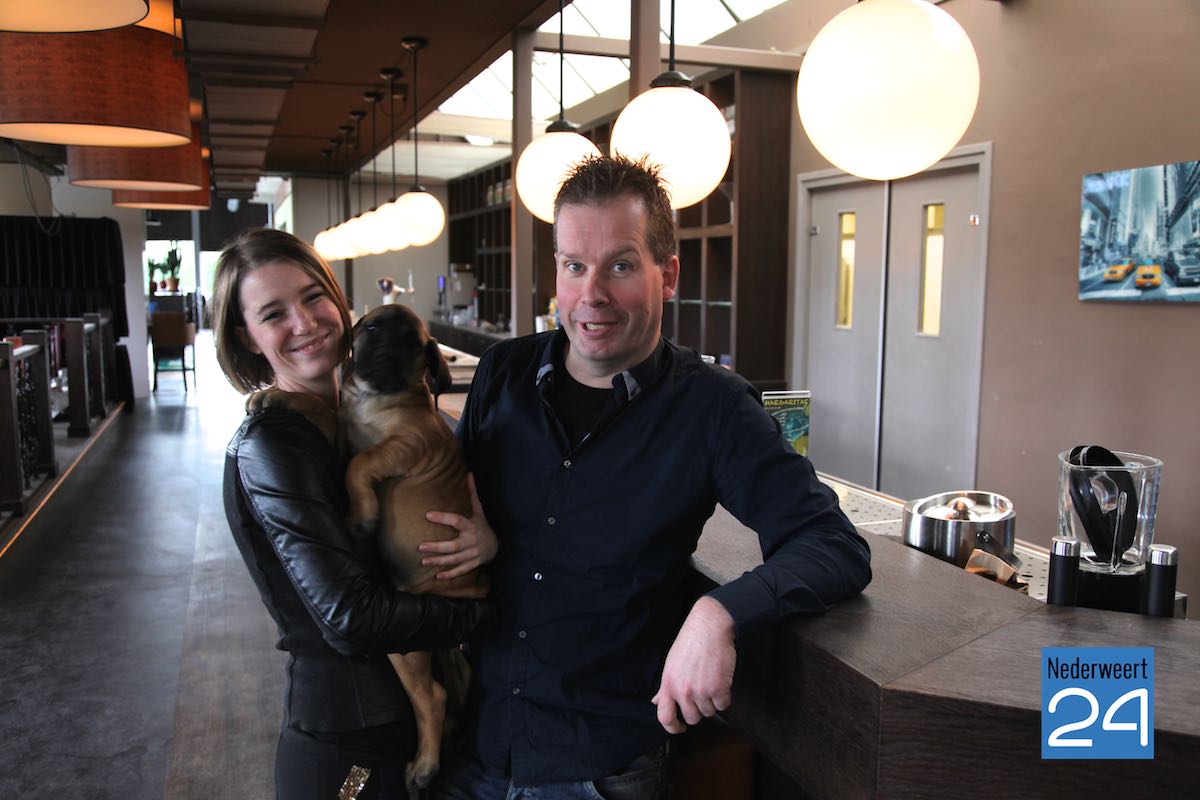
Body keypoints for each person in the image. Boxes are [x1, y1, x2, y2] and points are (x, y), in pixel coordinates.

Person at [431, 156, 872, 799]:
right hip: (469, 740)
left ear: (667, 275)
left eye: (620, 264)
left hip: (599, 767)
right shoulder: (503, 374)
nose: (591, 295)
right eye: (574, 266)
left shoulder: (714, 408)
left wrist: (720, 609)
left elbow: (833, 544)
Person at [213, 228, 497, 799]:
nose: (306, 321)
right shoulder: (272, 444)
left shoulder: (339, 416)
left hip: (395, 734)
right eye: (273, 313)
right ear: (247, 337)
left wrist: (484, 540)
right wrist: (476, 613)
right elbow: (352, 618)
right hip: (350, 755)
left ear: (340, 299)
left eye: (314, 296)